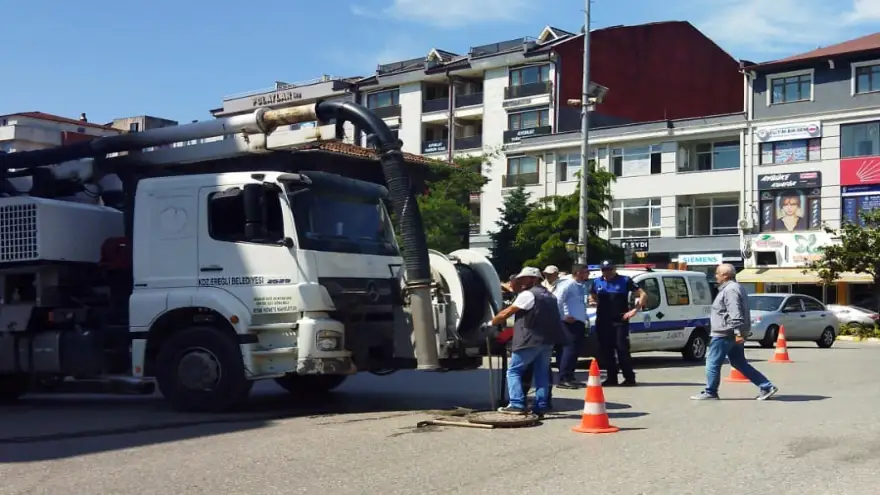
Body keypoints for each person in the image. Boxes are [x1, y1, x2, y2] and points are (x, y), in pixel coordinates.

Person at [691, 264, 779, 401]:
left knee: (712, 362)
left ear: (725, 275)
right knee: (739, 363)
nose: (715, 276)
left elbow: (735, 313)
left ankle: (711, 392)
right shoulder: (734, 288)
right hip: (731, 332)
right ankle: (766, 386)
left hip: (725, 333)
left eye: (717, 273)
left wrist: (738, 333)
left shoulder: (730, 290)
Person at [489, 267, 567, 416]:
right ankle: (542, 405)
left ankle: (517, 404)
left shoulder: (528, 294)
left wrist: (490, 323)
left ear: (534, 279)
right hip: (547, 340)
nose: (521, 281)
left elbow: (507, 312)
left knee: (513, 371)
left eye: (524, 278)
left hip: (529, 339)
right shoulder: (549, 295)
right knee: (542, 373)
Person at [588, 260, 645, 387]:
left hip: (619, 321)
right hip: (603, 320)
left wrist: (634, 310)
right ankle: (611, 377)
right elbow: (593, 295)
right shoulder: (597, 281)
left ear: (614, 269)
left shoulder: (624, 280)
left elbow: (642, 294)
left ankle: (629, 377)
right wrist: (594, 301)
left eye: (609, 269)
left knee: (622, 349)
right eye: (604, 270)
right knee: (606, 350)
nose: (606, 272)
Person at [553, 263, 590, 389]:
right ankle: (563, 378)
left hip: (579, 322)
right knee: (569, 349)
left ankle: (570, 376)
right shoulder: (567, 284)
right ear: (578, 273)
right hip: (569, 323)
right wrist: (563, 316)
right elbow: (557, 301)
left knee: (575, 351)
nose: (588, 274)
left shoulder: (581, 285)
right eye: (586, 272)